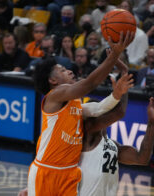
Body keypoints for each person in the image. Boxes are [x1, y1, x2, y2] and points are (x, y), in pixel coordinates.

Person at [26, 32, 134, 195]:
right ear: (53, 81)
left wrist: (116, 95)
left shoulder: (76, 103)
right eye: (62, 70)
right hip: (46, 170)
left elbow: (98, 108)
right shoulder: (54, 96)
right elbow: (89, 83)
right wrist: (115, 55)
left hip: (69, 173)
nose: (69, 71)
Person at [78, 94, 154, 196]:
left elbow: (142, 159)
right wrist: (124, 86)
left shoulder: (113, 145)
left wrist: (152, 122)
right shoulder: (87, 138)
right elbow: (120, 112)